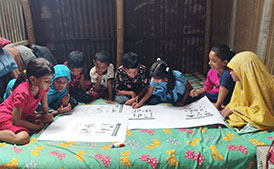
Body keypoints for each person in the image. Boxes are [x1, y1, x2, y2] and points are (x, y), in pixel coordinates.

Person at [0, 58, 54, 144]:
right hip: (7, 115)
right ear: (33, 79)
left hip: (24, 115)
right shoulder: (22, 92)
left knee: (49, 117)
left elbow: (45, 107)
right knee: (23, 137)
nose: (50, 83)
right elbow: (16, 120)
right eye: (47, 81)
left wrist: (45, 115)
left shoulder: (43, 87)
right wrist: (36, 127)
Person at [221, 51, 274, 131]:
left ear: (244, 70)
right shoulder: (241, 83)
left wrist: (234, 109)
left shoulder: (267, 86)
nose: (230, 73)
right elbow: (236, 104)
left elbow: (264, 116)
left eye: (233, 70)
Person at [189, 44, 235, 110]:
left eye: (213, 61)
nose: (209, 63)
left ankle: (218, 105)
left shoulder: (230, 73)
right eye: (210, 60)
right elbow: (207, 87)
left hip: (228, 98)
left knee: (226, 75)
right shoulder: (211, 72)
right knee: (192, 97)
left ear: (224, 63)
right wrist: (197, 93)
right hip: (215, 96)